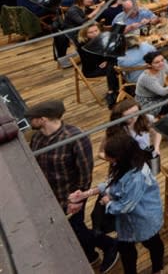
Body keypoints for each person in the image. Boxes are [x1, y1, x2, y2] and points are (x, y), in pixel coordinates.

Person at [28, 100, 119, 270]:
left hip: (72, 196)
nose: (29, 121)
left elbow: (85, 172)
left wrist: (78, 199)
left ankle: (109, 245)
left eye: (32, 118)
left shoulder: (76, 137)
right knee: (70, 228)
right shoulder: (37, 138)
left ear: (42, 119)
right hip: (50, 196)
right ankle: (90, 254)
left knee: (75, 227)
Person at [71, 132, 164, 274]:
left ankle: (157, 268)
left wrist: (107, 202)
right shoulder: (124, 165)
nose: (111, 163)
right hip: (128, 221)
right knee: (126, 250)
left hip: (144, 218)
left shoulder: (137, 176)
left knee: (152, 243)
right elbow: (111, 183)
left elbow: (126, 206)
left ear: (122, 157)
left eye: (113, 160)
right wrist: (86, 193)